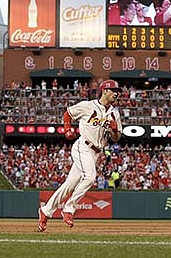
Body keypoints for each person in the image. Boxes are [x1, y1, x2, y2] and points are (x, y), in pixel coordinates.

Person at [37, 80, 122, 232]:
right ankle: (69, 208)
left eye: (117, 90)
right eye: (113, 90)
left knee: (68, 185)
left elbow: (116, 138)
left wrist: (115, 131)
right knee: (90, 177)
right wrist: (67, 129)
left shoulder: (114, 113)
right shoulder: (87, 106)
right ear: (104, 91)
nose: (117, 93)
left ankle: (45, 211)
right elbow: (68, 114)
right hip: (83, 146)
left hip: (96, 152)